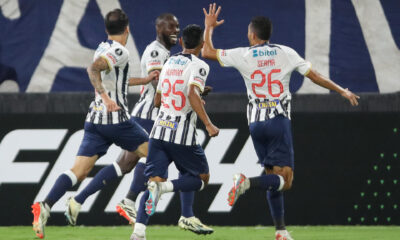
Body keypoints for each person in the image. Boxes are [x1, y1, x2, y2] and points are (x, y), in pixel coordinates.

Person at [201, 4, 360, 240]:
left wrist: (208, 27)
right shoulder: (286, 53)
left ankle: (280, 231)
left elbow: (207, 52)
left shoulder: (243, 54)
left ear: (252, 34)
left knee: (272, 177)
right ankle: (245, 182)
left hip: (255, 125)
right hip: (277, 120)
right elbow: (314, 76)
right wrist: (341, 91)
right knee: (285, 181)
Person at [66, 13, 213, 235]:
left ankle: (81, 199)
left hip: (160, 114)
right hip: (150, 114)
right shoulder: (156, 51)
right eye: (170, 27)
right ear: (159, 28)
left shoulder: (170, 55)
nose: (174, 31)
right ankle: (131, 200)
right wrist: (190, 90)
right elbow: (157, 81)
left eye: (177, 27)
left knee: (126, 165)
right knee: (157, 163)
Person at [31, 9, 157, 239]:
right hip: (116, 120)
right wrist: (108, 99)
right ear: (127, 29)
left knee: (78, 172)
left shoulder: (103, 47)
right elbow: (93, 69)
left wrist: (144, 80)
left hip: (94, 121)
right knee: (153, 154)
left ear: (107, 30)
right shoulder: (120, 50)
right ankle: (129, 201)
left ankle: (46, 205)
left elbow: (116, 78)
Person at [130, 24, 219, 240]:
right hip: (182, 134)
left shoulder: (168, 61)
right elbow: (190, 93)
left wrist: (195, 94)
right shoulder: (200, 65)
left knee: (154, 182)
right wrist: (208, 123)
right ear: (202, 44)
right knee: (201, 177)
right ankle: (167, 190)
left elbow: (158, 100)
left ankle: (138, 233)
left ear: (181, 42)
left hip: (159, 131)